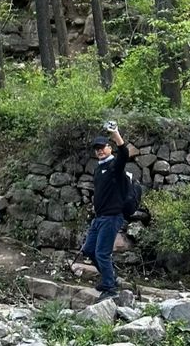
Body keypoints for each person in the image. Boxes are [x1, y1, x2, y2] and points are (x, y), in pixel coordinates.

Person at [81, 120, 129, 299]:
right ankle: (110, 278)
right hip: (99, 218)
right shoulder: (98, 169)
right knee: (89, 250)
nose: (100, 150)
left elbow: (124, 153)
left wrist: (115, 133)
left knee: (102, 253)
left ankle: (110, 287)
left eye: (103, 147)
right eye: (97, 148)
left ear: (109, 148)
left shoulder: (114, 166)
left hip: (111, 217)